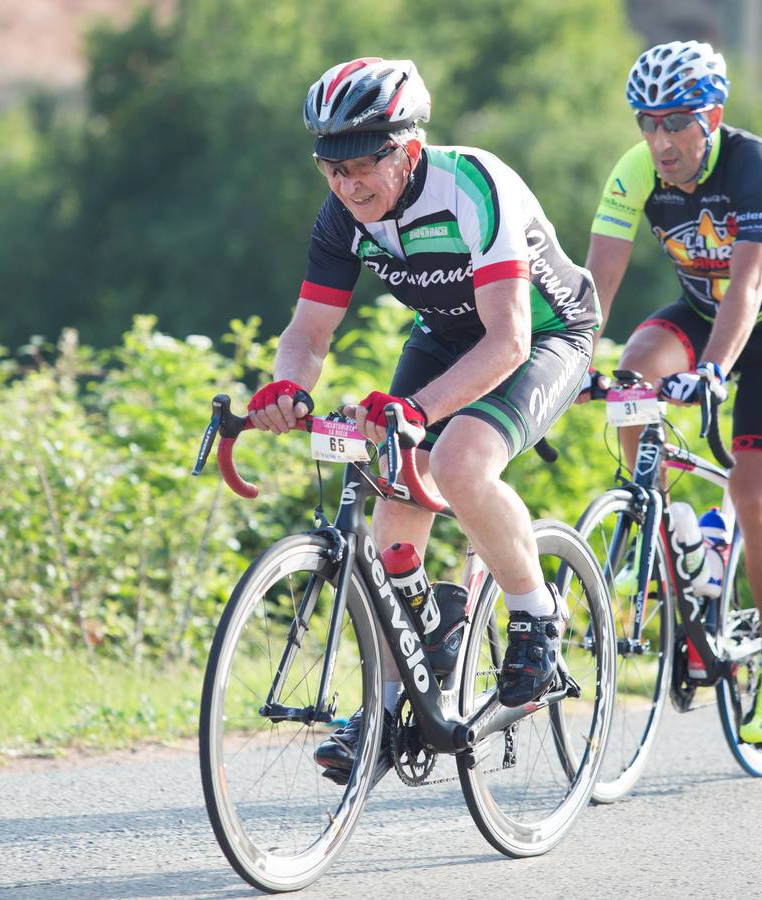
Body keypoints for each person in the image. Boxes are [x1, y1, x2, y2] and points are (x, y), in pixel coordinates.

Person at [246, 57, 600, 782]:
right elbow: (309, 334)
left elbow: (508, 340)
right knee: (391, 502)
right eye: (330, 168)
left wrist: (417, 410)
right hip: (444, 336)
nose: (347, 185)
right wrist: (283, 389)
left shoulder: (474, 185)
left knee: (461, 461)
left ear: (408, 150)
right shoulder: (342, 216)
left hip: (544, 333)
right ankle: (397, 689)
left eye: (362, 165)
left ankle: (535, 616)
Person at [586, 41, 762, 743]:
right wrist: (571, 360)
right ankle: (673, 530)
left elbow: (749, 287)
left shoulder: (752, 166)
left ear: (710, 116)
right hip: (700, 307)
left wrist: (716, 370)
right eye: (646, 123)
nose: (659, 141)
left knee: (756, 496)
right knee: (632, 371)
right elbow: (595, 287)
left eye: (674, 123)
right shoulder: (635, 173)